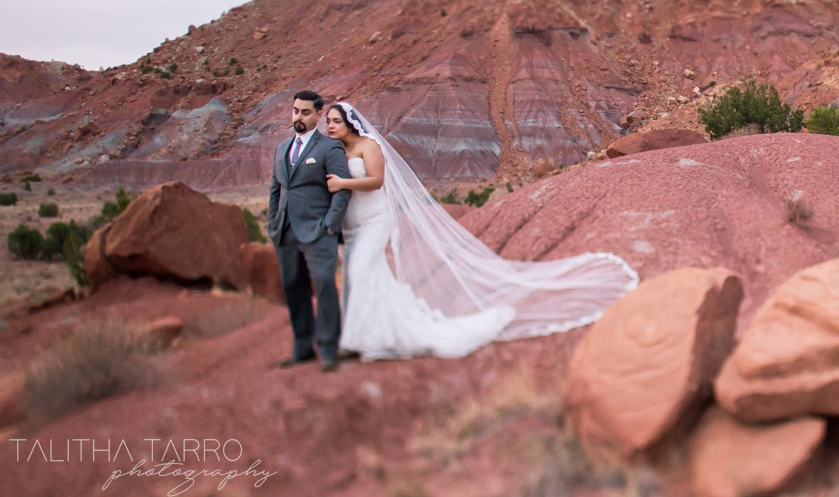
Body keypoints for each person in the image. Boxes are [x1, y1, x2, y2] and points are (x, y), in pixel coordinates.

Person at [320, 101, 637, 360]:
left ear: (350, 122)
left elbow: (375, 181)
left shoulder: (368, 146)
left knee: (361, 271)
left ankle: (363, 338)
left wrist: (343, 182)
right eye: (328, 122)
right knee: (365, 276)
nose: (330, 126)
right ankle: (371, 333)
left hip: (375, 221)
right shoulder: (338, 153)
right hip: (352, 225)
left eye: (335, 121)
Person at [268, 90, 351, 371]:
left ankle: (328, 349)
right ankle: (302, 346)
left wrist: (330, 224)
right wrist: (272, 223)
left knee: (325, 285)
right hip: (285, 232)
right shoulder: (281, 149)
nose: (298, 117)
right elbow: (275, 190)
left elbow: (342, 189)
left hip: (318, 231)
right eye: (295, 111)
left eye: (305, 112)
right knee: (293, 288)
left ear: (317, 116)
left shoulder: (330, 148)